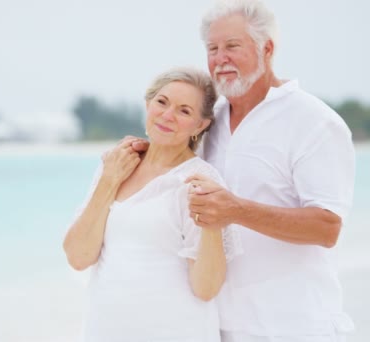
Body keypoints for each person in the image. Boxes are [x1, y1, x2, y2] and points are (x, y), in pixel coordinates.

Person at [129, 0, 356, 341]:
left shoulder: (315, 122)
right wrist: (136, 155)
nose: (221, 59)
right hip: (214, 326)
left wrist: (235, 210)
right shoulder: (209, 120)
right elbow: (172, 166)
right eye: (213, 48)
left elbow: (327, 228)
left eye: (233, 46)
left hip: (294, 327)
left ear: (267, 48)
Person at [63, 67, 242, 342]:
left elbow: (206, 288)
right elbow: (78, 257)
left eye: (184, 111)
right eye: (162, 102)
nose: (167, 115)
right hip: (106, 331)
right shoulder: (117, 163)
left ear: (201, 125)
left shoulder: (197, 181)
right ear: (148, 103)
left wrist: (211, 219)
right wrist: (109, 181)